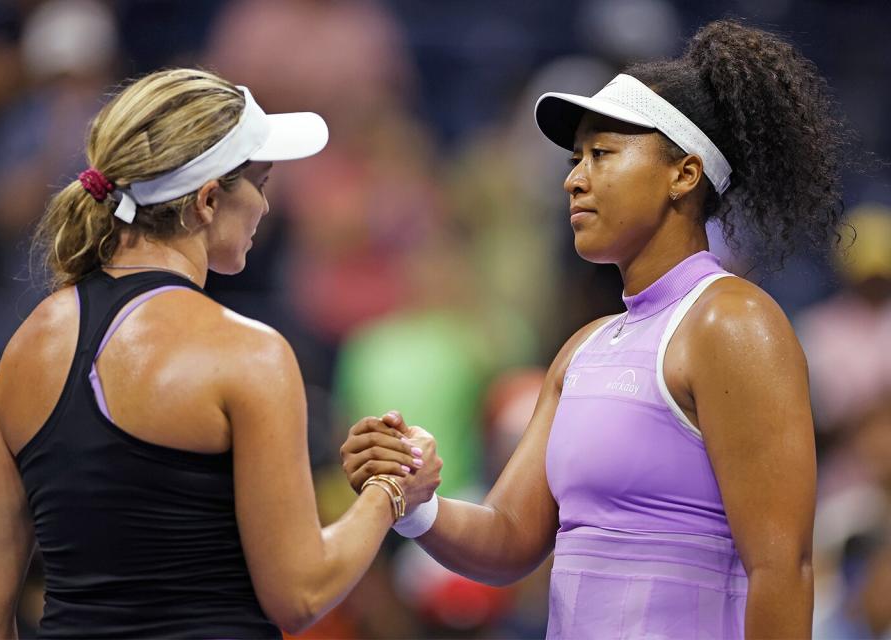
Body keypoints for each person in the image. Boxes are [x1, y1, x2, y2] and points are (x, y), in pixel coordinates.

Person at [342, 19, 851, 638]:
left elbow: (783, 568)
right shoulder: (583, 348)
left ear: (683, 174)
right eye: (575, 157)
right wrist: (412, 503)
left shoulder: (732, 322)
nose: (574, 178)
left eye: (602, 153)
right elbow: (506, 539)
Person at [0, 68, 439, 638]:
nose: (266, 205)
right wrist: (391, 492)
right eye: (260, 182)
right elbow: (300, 592)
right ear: (208, 200)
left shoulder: (27, 346)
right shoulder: (249, 353)